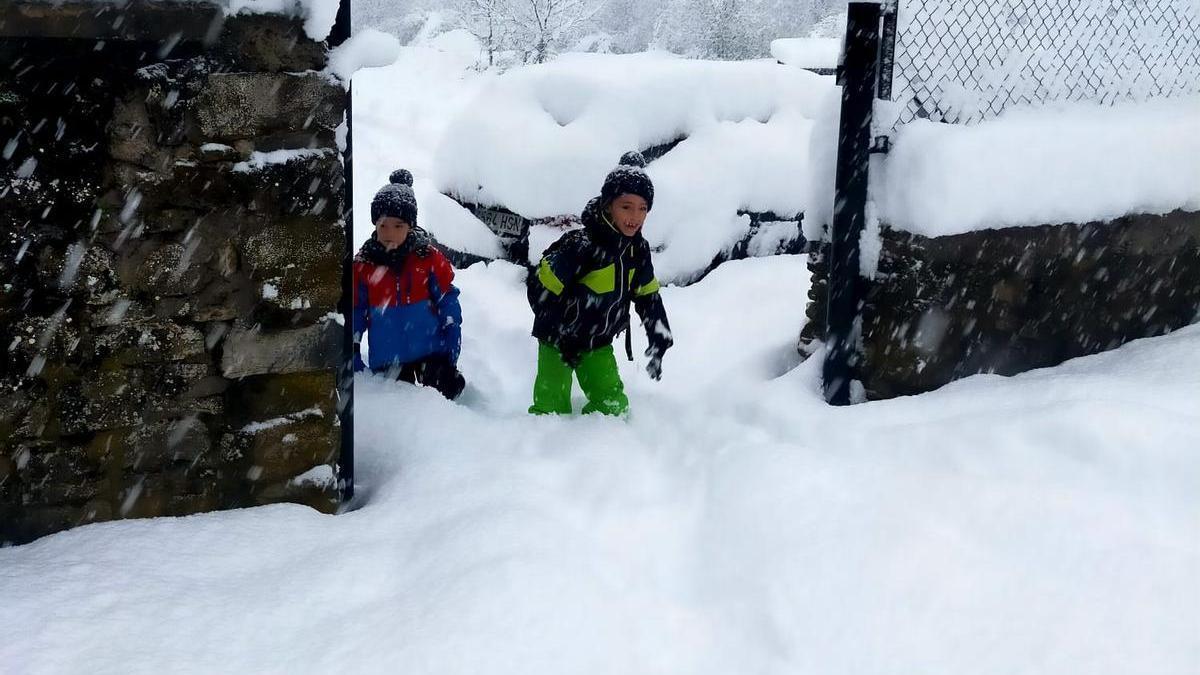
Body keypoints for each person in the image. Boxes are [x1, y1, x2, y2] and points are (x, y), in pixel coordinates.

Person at [526, 151, 673, 416]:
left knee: (613, 406)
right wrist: (563, 335)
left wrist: (659, 332)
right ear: (608, 206)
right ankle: (542, 452)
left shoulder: (637, 251)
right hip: (557, 341)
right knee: (550, 410)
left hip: (597, 342)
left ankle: (603, 452)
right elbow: (539, 292)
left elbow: (648, 296)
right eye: (626, 206)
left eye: (643, 209)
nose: (635, 216)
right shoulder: (582, 246)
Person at [353, 169, 466, 400]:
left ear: (411, 226)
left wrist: (452, 328)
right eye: (383, 225)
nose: (389, 233)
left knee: (446, 391)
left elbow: (447, 296)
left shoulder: (427, 258)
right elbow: (356, 310)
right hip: (388, 355)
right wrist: (353, 346)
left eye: (398, 226)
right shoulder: (364, 265)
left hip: (430, 349)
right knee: (397, 402)